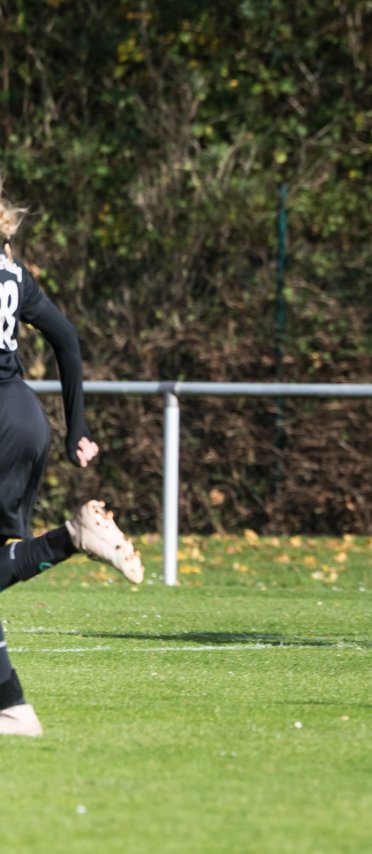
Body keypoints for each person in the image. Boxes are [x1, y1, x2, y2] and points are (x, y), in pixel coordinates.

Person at [0, 176, 145, 737]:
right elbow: (65, 336)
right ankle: (12, 708)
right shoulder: (12, 271)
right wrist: (76, 426)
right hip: (23, 418)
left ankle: (72, 537)